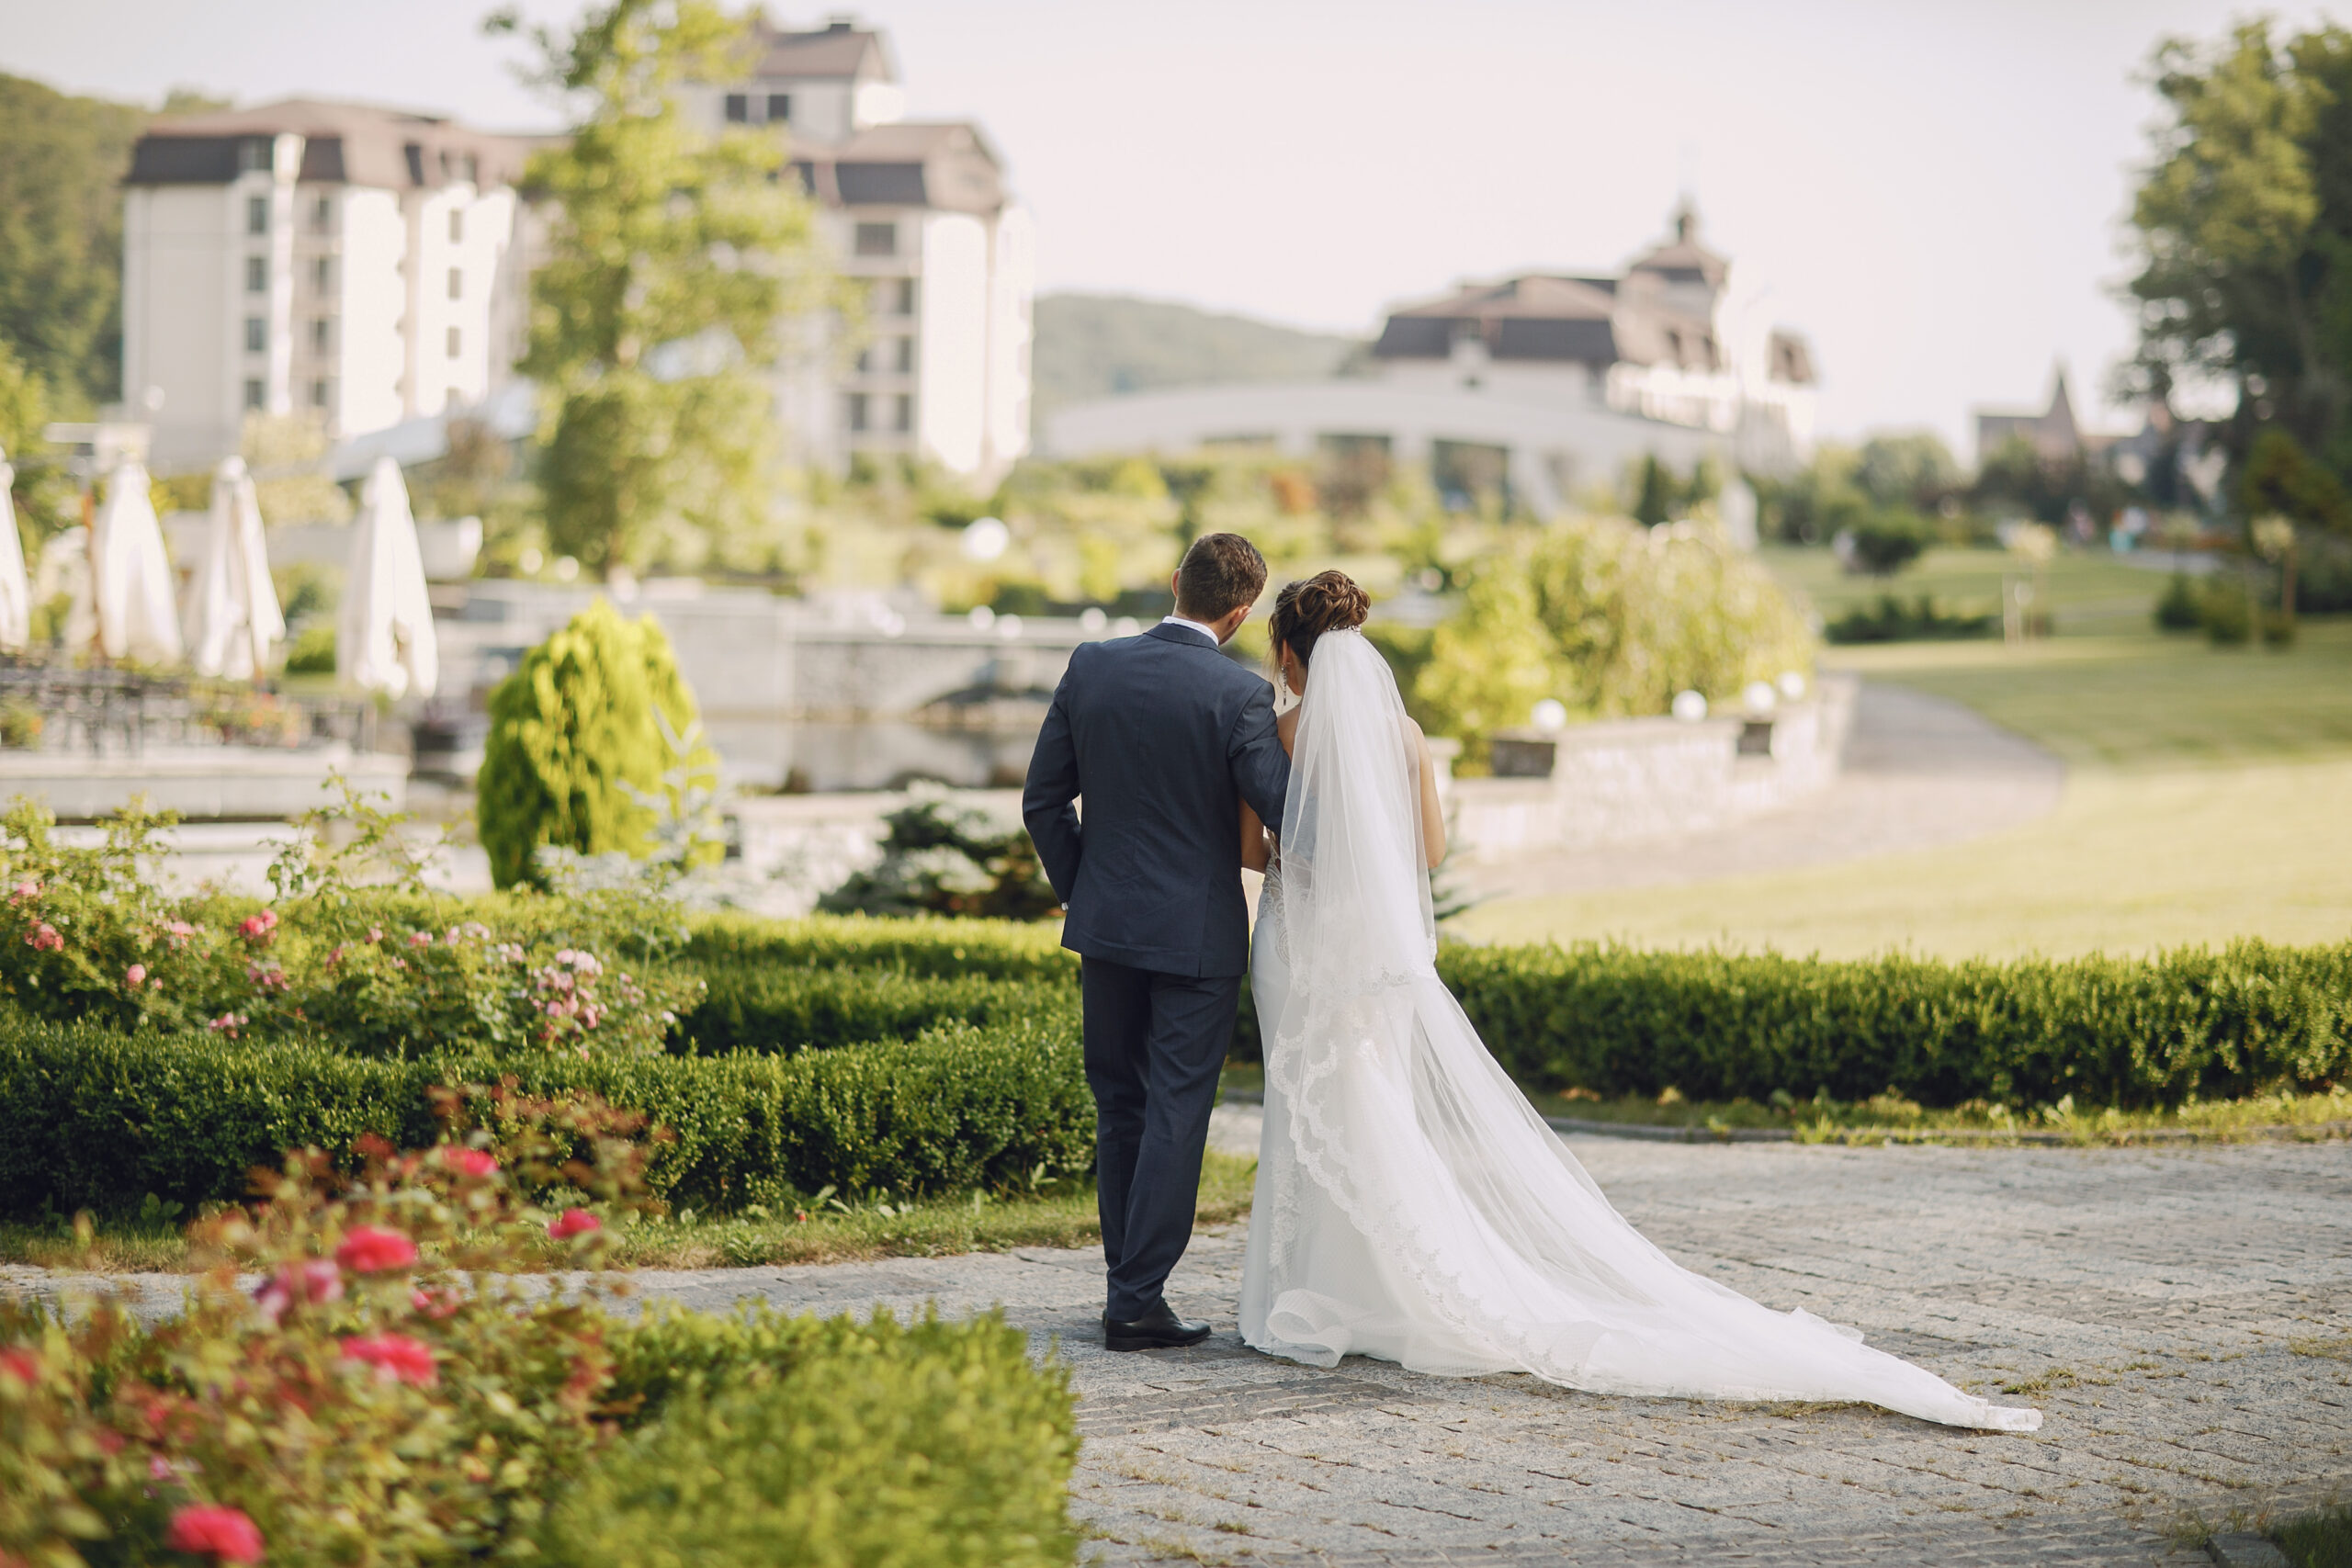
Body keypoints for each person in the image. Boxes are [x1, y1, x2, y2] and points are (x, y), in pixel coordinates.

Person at [1235, 570, 2041, 1433]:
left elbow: (1256, 853)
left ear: (1289, 652)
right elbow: (1428, 851)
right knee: (1375, 1098)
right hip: (1378, 952)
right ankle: (1380, 1279)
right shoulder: (1403, 735)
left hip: (1298, 944)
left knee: (1308, 1101)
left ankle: (1318, 1286)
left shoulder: (1275, 736)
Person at [1023, 533, 1292, 1352]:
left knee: (1121, 1106)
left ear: (1175, 581)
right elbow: (1285, 808)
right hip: (1197, 941)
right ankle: (1135, 1299)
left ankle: (1127, 1290)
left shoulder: (1090, 664)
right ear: (1241, 614)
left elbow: (1043, 802)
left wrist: (1085, 889)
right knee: (1177, 1109)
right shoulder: (1240, 696)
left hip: (1104, 930)